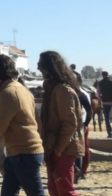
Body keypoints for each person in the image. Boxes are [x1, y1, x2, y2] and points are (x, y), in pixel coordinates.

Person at [0, 54, 45, 196]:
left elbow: (0, 126)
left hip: (23, 153)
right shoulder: (23, 89)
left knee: (35, 193)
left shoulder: (8, 92)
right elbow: (37, 121)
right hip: (19, 153)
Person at [37, 51, 83, 196]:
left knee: (65, 190)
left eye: (41, 64)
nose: (38, 68)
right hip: (53, 146)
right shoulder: (51, 87)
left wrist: (59, 149)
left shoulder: (62, 90)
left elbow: (69, 123)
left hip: (64, 147)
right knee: (54, 189)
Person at [95, 71, 112, 138]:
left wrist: (100, 99)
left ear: (102, 75)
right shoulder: (111, 82)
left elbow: (98, 93)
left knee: (107, 118)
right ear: (107, 75)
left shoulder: (100, 83)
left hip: (105, 103)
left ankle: (110, 133)